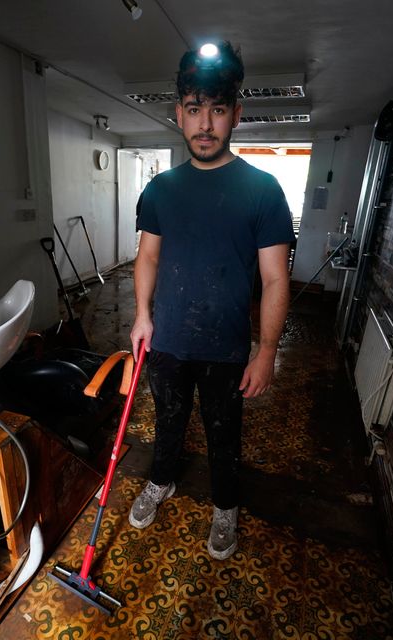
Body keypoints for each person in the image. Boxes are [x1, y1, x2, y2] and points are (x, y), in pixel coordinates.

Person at [127, 40, 295, 560]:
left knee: (224, 434)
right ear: (178, 113)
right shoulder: (160, 191)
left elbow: (274, 280)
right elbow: (148, 258)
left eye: (217, 110)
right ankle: (162, 480)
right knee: (168, 421)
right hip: (169, 340)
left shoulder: (263, 190)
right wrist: (141, 316)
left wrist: (266, 351)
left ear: (236, 115)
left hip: (226, 347)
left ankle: (226, 505)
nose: (205, 123)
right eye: (195, 109)